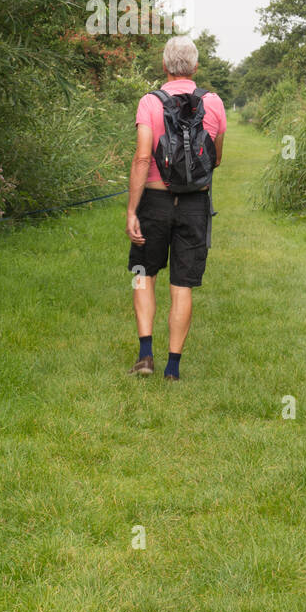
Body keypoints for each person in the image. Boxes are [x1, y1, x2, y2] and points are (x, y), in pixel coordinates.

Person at [126, 35, 226, 380]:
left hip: (154, 200)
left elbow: (142, 158)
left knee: (144, 274)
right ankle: (173, 368)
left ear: (164, 66)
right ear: (196, 67)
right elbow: (216, 158)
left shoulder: (150, 103)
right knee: (182, 284)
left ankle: (145, 355)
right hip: (195, 203)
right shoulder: (213, 103)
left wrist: (131, 211)